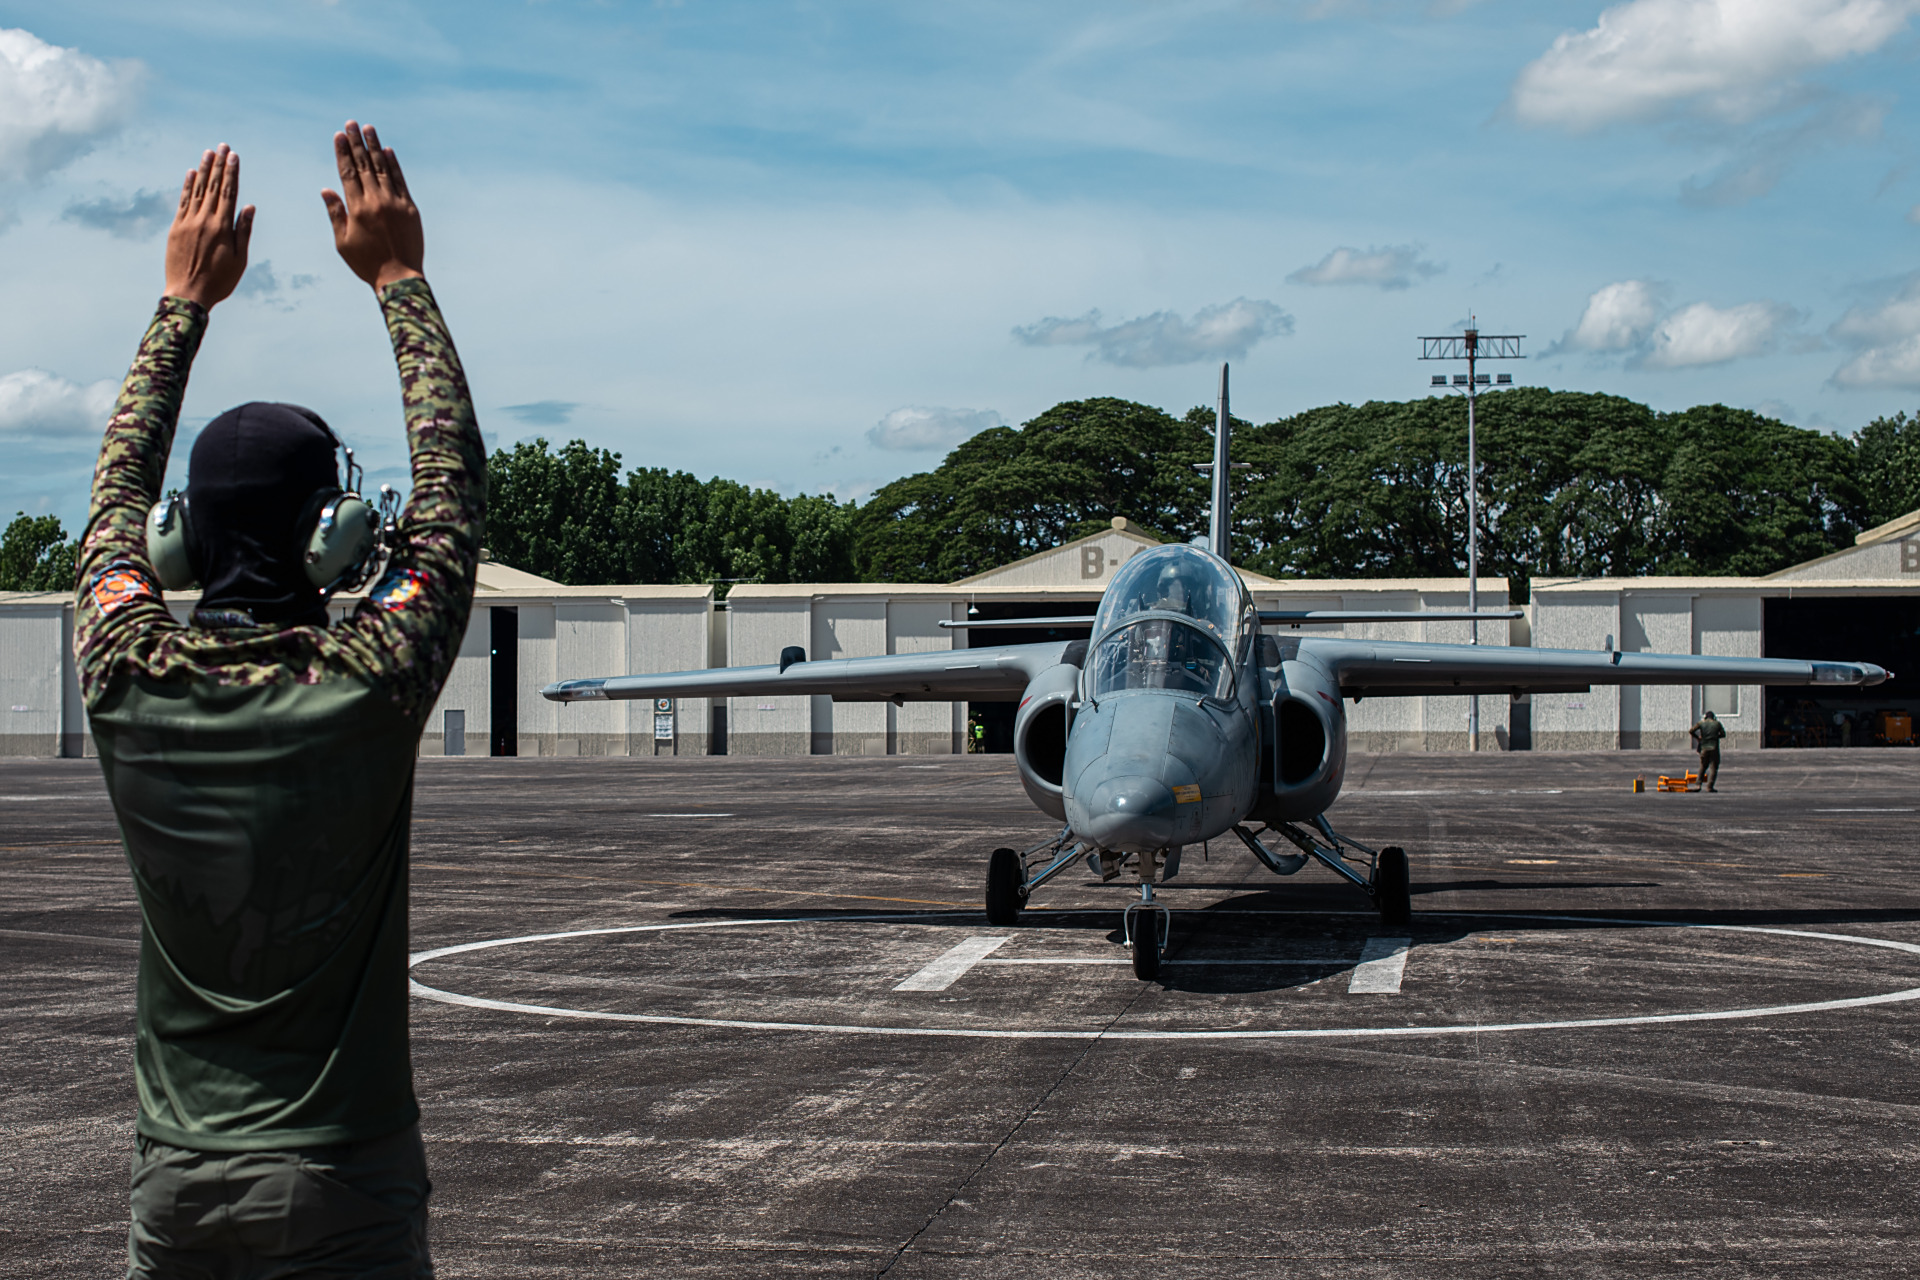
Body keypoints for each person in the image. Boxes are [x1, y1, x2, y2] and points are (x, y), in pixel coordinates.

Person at [74, 122, 482, 1277]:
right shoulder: (367, 681)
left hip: (178, 1174)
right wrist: (398, 275)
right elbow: (450, 493)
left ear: (182, 542)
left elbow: (113, 496)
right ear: (334, 534)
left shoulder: (125, 675)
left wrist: (181, 302)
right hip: (342, 1168)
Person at [1690, 709, 1727, 792]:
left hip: (1704, 748)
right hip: (1714, 748)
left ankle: (1698, 785)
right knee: (1713, 768)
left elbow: (1691, 731)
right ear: (1713, 717)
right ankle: (1709, 787)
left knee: (1703, 767)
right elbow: (1723, 734)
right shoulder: (1717, 723)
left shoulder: (1701, 723)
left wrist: (1698, 738)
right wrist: (1715, 737)